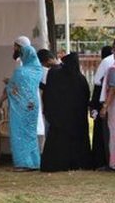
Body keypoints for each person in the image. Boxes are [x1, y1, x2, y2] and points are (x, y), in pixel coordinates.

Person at [40, 52, 92, 172]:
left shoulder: (54, 75)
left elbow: (48, 94)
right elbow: (85, 97)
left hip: (59, 118)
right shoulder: (80, 79)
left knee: (58, 141)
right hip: (76, 119)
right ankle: (78, 162)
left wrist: (48, 110)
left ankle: (57, 163)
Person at [91, 36, 115, 170]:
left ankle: (107, 161)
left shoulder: (108, 62)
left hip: (109, 100)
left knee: (107, 132)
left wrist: (99, 105)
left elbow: (98, 82)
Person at [6, 37, 42, 171]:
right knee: (31, 133)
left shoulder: (20, 71)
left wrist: (8, 84)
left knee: (19, 133)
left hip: (20, 108)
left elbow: (13, 88)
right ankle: (34, 162)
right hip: (32, 105)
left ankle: (23, 163)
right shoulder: (37, 69)